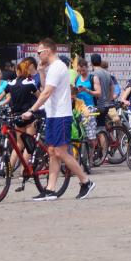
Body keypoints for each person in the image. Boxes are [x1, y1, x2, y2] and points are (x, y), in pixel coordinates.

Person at [22, 38, 94, 200]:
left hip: (61, 115)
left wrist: (31, 110)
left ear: (47, 51)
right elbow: (45, 89)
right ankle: (50, 189)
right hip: (53, 114)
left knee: (60, 152)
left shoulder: (58, 67)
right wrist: (41, 72)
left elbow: (46, 93)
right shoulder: (52, 68)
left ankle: (86, 181)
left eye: (39, 52)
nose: (38, 55)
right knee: (52, 152)